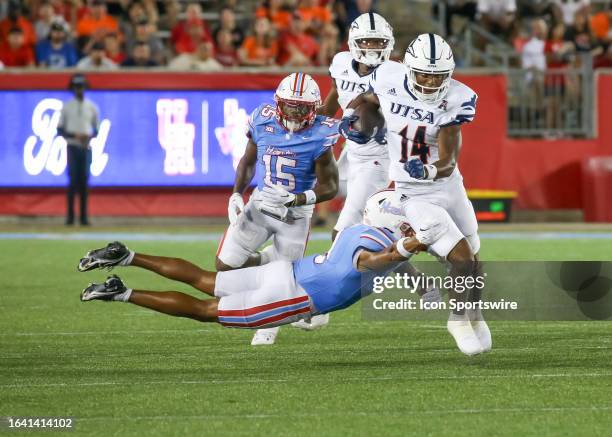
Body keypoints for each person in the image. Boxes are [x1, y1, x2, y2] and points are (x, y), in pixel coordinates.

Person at [78, 192, 462, 349]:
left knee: (204, 280)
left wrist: (420, 283)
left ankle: (127, 255)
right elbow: (373, 262)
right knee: (204, 310)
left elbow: (390, 263)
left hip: (287, 272)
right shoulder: (381, 243)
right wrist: (408, 245)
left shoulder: (358, 229)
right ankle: (122, 292)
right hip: (294, 296)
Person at [339, 33, 490, 356]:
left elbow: (448, 162)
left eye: (437, 76)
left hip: (446, 184)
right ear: (408, 69)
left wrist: (431, 170)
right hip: (412, 193)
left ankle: (473, 313)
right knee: (460, 257)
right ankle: (458, 319)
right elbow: (367, 98)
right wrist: (354, 120)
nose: (430, 81)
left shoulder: (457, 100)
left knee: (475, 261)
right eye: (423, 73)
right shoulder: (388, 77)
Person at [218, 72, 340, 345]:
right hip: (261, 203)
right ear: (277, 103)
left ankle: (268, 327)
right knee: (225, 266)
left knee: (281, 282)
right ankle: (266, 260)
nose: (295, 112)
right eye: (289, 105)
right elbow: (248, 161)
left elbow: (330, 186)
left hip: (295, 213)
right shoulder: (262, 119)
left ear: (314, 108)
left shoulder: (321, 133)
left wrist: (297, 200)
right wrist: (237, 193)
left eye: (302, 107)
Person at [318, 12, 394, 241]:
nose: (372, 47)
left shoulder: (394, 74)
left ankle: (336, 273)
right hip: (350, 154)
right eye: (366, 41)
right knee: (299, 191)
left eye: (379, 42)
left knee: (342, 234)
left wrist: (357, 112)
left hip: (378, 158)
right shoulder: (341, 63)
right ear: (353, 42)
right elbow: (330, 107)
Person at [57, 74, 100, 226]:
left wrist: (88, 136)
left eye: (81, 87)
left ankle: (83, 217)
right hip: (72, 147)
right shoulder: (67, 107)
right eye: (76, 87)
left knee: (84, 182)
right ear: (73, 89)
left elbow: (97, 129)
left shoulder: (92, 107)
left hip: (86, 147)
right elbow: (59, 129)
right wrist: (74, 135)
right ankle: (70, 217)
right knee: (73, 181)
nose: (79, 90)